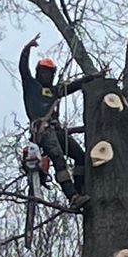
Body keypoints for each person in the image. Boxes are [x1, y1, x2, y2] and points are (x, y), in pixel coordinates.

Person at [17, 40, 88, 216]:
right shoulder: (32, 86)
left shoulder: (56, 90)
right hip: (42, 130)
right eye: (43, 72)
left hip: (56, 130)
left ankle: (80, 189)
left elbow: (74, 85)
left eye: (49, 72)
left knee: (80, 156)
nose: (46, 75)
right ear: (38, 72)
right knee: (57, 157)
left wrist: (93, 77)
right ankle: (72, 196)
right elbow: (23, 70)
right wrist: (26, 50)